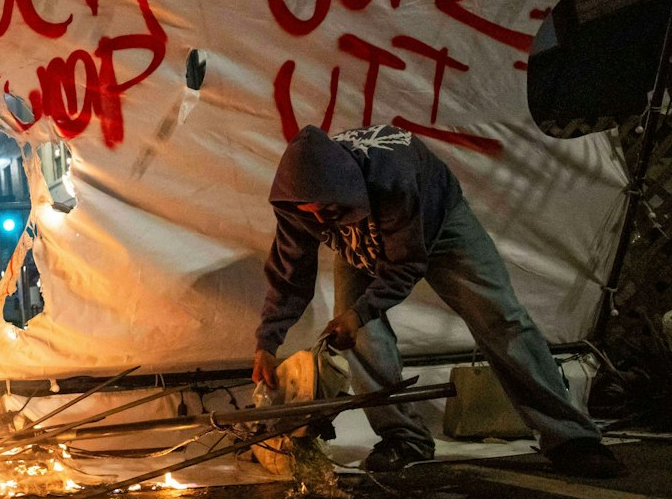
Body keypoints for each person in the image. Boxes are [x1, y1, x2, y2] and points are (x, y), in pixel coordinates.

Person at [251, 124, 625, 478]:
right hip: (359, 244)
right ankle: (404, 438)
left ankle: (571, 438)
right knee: (362, 340)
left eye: (326, 208)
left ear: (345, 189)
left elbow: (404, 265)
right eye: (308, 210)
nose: (316, 216)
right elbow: (290, 272)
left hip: (439, 225)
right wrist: (267, 342)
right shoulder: (299, 201)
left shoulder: (392, 177)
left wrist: (359, 312)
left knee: (501, 320)